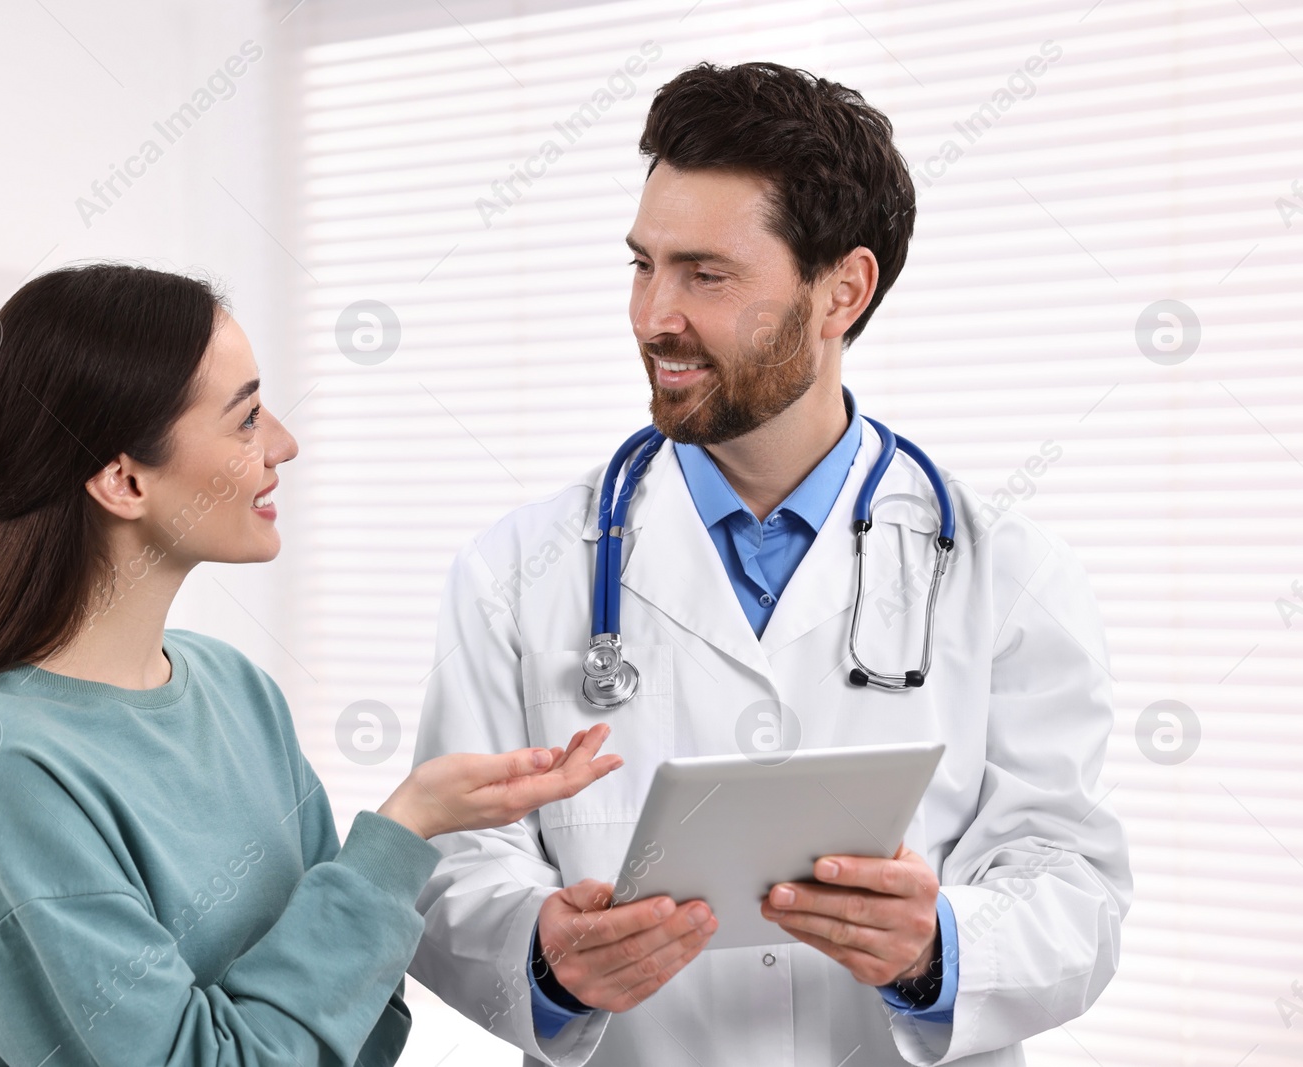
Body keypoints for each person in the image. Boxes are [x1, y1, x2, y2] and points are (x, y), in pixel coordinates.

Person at [407, 62, 1131, 1066]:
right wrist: (541, 954)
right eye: (641, 264)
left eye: (706, 274)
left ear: (843, 289)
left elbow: (1072, 885)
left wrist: (936, 949)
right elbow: (452, 864)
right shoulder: (517, 570)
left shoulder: (1005, 572)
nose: (653, 314)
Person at [0, 264, 622, 1066]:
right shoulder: (1, 764)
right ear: (124, 480)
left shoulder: (236, 691)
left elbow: (370, 1025)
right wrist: (402, 831)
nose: (284, 444)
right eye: (247, 418)